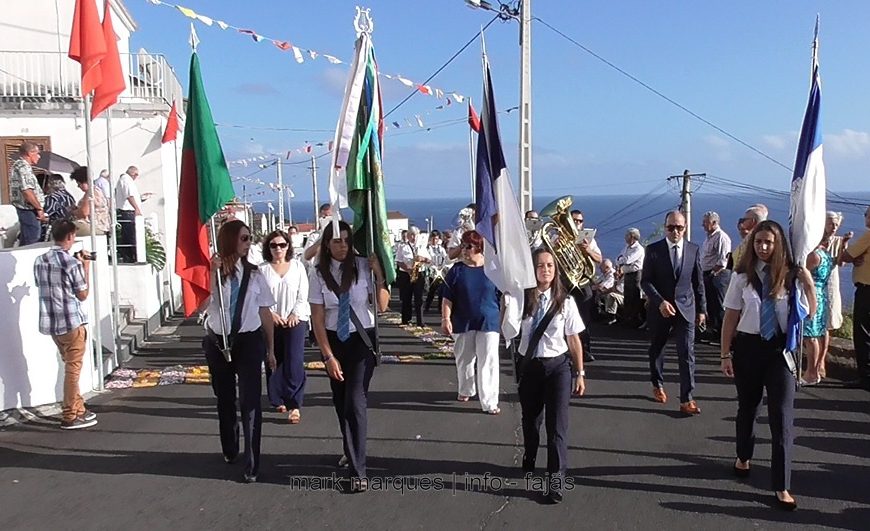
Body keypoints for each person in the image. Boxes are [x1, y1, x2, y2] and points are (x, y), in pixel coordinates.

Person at [720, 220, 815, 511]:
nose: (762, 247)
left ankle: (781, 484)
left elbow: (809, 313)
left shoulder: (791, 276)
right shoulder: (741, 277)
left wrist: (809, 283)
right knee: (748, 409)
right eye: (758, 242)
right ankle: (743, 456)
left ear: (779, 245)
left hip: (779, 351)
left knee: (782, 417)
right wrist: (725, 354)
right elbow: (731, 318)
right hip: (748, 348)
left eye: (768, 243)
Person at [309, 220, 389, 492]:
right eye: (335, 241)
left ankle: (359, 471)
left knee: (355, 401)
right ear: (326, 244)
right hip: (334, 339)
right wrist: (328, 356)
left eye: (345, 240)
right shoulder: (318, 273)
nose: (342, 246)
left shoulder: (364, 265)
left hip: (361, 339)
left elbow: (381, 305)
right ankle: (350, 447)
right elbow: (317, 319)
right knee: (340, 400)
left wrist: (379, 277)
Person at [202, 219, 277, 483]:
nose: (248, 243)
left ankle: (252, 461)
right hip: (217, 342)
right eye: (244, 238)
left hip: (248, 341)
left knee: (251, 401)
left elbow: (265, 311)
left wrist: (271, 349)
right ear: (230, 239)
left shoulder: (256, 274)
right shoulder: (212, 271)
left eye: (249, 238)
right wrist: (211, 274)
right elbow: (199, 305)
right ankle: (230, 446)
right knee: (224, 398)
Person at [515, 248, 586, 504]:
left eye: (550, 266)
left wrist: (580, 373)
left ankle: (555, 481)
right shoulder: (520, 299)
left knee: (557, 427)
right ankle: (530, 454)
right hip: (530, 367)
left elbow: (574, 339)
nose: (545, 270)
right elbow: (508, 329)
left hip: (558, 368)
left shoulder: (566, 302)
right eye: (540, 265)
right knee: (531, 420)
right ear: (532, 269)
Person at [641, 210, 706, 415]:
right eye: (671, 227)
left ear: (685, 228)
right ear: (665, 227)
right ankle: (657, 383)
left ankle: (687, 399)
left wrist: (702, 310)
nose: (675, 231)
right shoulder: (653, 250)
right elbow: (645, 281)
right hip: (660, 309)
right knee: (657, 348)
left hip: (686, 308)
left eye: (679, 227)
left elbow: (698, 282)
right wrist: (659, 301)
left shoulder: (693, 250)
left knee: (687, 353)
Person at [33, 220, 97, 429]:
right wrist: (84, 267)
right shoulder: (71, 264)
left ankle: (79, 408)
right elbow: (83, 294)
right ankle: (70, 414)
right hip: (71, 322)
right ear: (69, 237)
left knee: (69, 365)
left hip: (52, 323)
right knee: (73, 369)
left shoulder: (40, 260)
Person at [441, 230, 502, 414]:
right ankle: (466, 388)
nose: (464, 250)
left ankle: (490, 401)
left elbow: (503, 295)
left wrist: (505, 320)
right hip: (462, 320)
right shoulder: (456, 271)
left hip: (489, 321)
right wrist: (445, 318)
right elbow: (447, 298)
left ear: (479, 247)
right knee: (464, 358)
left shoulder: (493, 270)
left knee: (488, 360)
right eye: (462, 245)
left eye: (468, 246)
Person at [260, 230, 309, 424]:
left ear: (288, 246)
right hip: (271, 320)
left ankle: (294, 403)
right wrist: (271, 314)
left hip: (295, 320)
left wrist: (295, 314)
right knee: (273, 358)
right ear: (268, 248)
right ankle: (277, 397)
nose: (278, 249)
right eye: (273, 245)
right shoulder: (262, 270)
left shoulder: (297, 267)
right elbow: (259, 297)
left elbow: (303, 293)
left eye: (282, 245)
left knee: (294, 360)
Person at [840, 206, 870, 391]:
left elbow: (846, 255)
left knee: (863, 334)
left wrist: (854, 257)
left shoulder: (868, 236)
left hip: (867, 289)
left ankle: (865, 378)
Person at [821, 211, 852, 377]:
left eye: (835, 224)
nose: (833, 227)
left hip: (830, 285)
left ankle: (821, 362)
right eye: (830, 223)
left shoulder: (839, 241)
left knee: (827, 324)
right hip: (815, 284)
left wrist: (844, 244)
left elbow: (841, 263)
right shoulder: (814, 239)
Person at [800, 238, 834, 386]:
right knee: (817, 332)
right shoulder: (825, 254)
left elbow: (802, 273)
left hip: (811, 295)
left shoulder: (813, 256)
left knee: (810, 336)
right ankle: (815, 369)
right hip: (821, 295)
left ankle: (811, 373)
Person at [569, 210, 602, 363]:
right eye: (574, 220)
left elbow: (599, 259)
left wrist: (587, 250)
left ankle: (585, 350)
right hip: (566, 282)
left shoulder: (589, 240)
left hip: (582, 282)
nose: (577, 223)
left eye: (580, 221)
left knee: (584, 318)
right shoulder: (559, 237)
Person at [700, 211, 733, 343]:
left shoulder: (721, 237)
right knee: (711, 305)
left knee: (719, 305)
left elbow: (722, 261)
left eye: (706, 222)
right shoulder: (709, 237)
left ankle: (722, 335)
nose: (703, 225)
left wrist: (712, 274)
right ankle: (714, 332)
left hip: (717, 276)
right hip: (707, 274)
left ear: (714, 223)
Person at [10, 142, 47, 246]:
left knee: (27, 239)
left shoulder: (20, 166)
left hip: (27, 209)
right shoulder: (23, 167)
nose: (39, 156)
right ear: (30, 153)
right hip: (28, 209)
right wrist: (39, 208)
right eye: (37, 153)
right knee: (32, 240)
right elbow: (27, 191)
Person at [395, 226, 430, 326]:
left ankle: (420, 321)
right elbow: (398, 261)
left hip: (419, 273)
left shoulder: (422, 247)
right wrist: (408, 269)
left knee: (419, 298)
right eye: (411, 235)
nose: (413, 237)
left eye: (415, 235)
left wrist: (422, 258)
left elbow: (429, 260)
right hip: (406, 274)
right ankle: (406, 319)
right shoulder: (403, 246)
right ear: (408, 236)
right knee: (407, 297)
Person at [616, 228, 645, 327]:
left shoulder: (638, 249)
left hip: (636, 274)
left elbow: (627, 260)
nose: (625, 237)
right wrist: (621, 261)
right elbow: (619, 258)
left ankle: (634, 319)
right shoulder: (627, 247)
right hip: (627, 274)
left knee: (634, 296)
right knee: (627, 297)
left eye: (627, 235)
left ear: (632, 236)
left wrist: (621, 261)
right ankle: (627, 318)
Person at [70, 167, 110, 235]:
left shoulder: (90, 193)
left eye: (79, 183)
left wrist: (73, 211)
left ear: (84, 182)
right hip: (102, 226)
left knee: (64, 230)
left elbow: (84, 212)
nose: (78, 186)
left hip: (93, 226)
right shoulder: (97, 191)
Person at [115, 166, 143, 262]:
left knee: (129, 235)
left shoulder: (126, 180)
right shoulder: (126, 180)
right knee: (130, 235)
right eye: (136, 174)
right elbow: (129, 196)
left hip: (128, 211)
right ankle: (130, 257)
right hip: (127, 211)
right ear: (133, 174)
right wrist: (137, 208)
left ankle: (130, 256)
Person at [424, 230, 449, 312]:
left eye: (436, 239)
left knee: (441, 291)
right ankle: (427, 307)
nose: (435, 241)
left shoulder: (441, 249)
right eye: (433, 239)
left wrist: (442, 267)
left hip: (440, 271)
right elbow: (428, 260)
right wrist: (433, 267)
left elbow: (445, 258)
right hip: (432, 272)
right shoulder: (428, 248)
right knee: (432, 291)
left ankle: (440, 308)